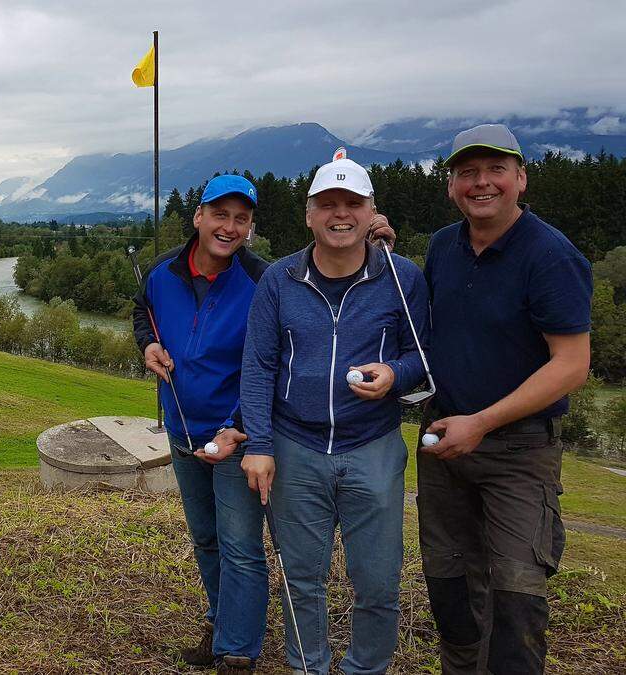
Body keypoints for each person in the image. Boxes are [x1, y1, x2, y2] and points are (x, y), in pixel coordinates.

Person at [133, 173, 396, 673]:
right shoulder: (159, 272)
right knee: (206, 539)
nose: (229, 227)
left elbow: (269, 364)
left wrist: (371, 233)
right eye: (220, 215)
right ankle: (221, 623)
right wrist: (146, 343)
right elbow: (142, 314)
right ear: (198, 217)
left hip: (239, 434)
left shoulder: (264, 279)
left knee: (240, 546)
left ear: (251, 226)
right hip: (182, 428)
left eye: (241, 218)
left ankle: (238, 650)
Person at [239, 156, 427, 674]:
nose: (339, 215)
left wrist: (394, 373)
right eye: (327, 205)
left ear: (371, 213)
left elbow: (421, 356)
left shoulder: (401, 276)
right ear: (308, 214)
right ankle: (308, 667)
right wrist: (258, 445)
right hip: (295, 445)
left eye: (352, 204)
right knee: (301, 577)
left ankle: (366, 668)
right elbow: (257, 366)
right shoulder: (280, 279)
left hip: (373, 444)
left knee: (379, 580)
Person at [416, 124, 592, 674]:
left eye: (495, 170)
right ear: (451, 186)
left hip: (518, 454)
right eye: (467, 173)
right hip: (444, 446)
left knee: (516, 601)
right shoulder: (444, 247)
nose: (481, 183)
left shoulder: (549, 255)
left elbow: (572, 365)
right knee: (449, 591)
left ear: (520, 179)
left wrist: (483, 422)